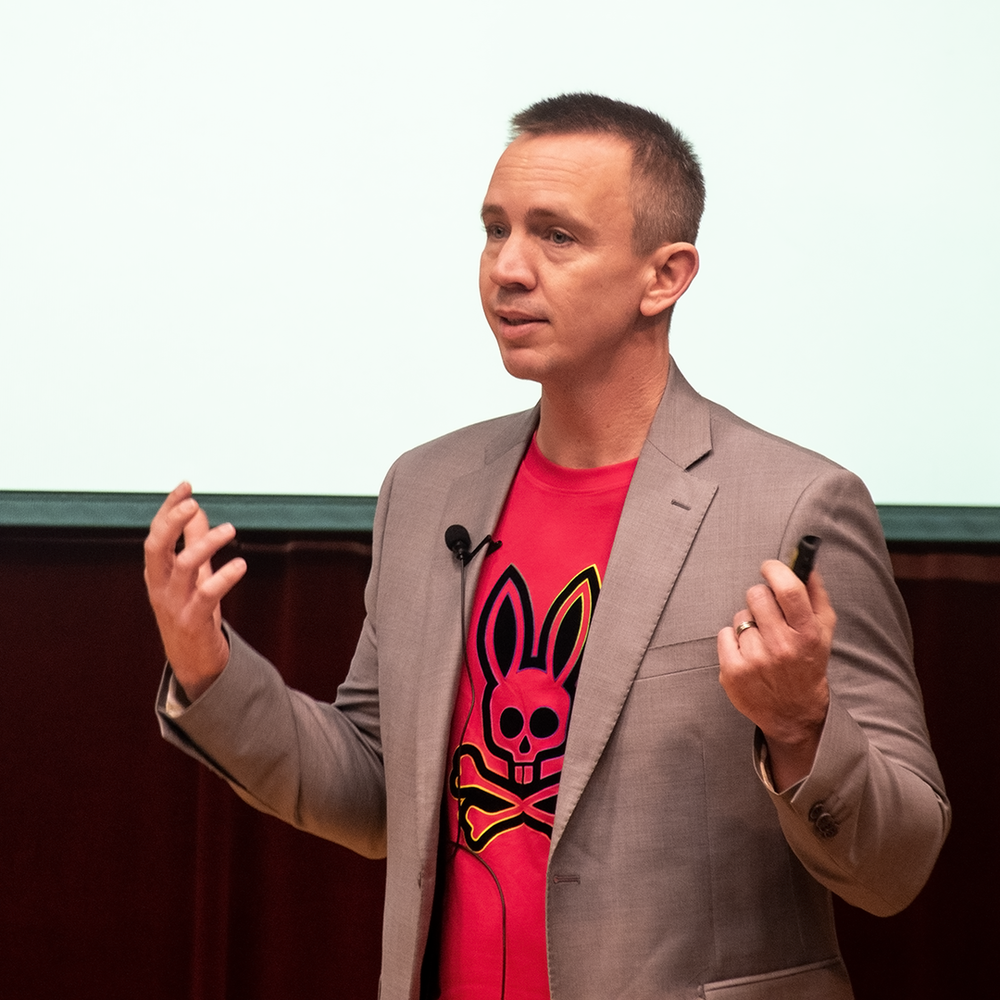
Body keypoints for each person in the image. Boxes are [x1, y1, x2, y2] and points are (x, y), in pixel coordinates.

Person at [146, 94, 950, 1000]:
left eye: (556, 237)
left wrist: (801, 727)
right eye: (495, 231)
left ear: (666, 276)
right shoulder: (427, 490)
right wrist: (208, 668)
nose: (507, 269)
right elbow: (379, 790)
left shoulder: (795, 507)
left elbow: (900, 863)